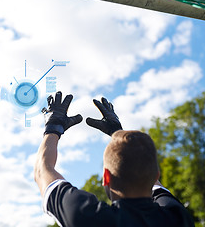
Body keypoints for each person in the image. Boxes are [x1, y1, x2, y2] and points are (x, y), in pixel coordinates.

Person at [34, 91, 194, 227]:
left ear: (106, 177)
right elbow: (150, 176)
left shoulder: (87, 216)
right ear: (156, 176)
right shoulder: (177, 217)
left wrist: (53, 127)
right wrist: (119, 134)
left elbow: (43, 170)